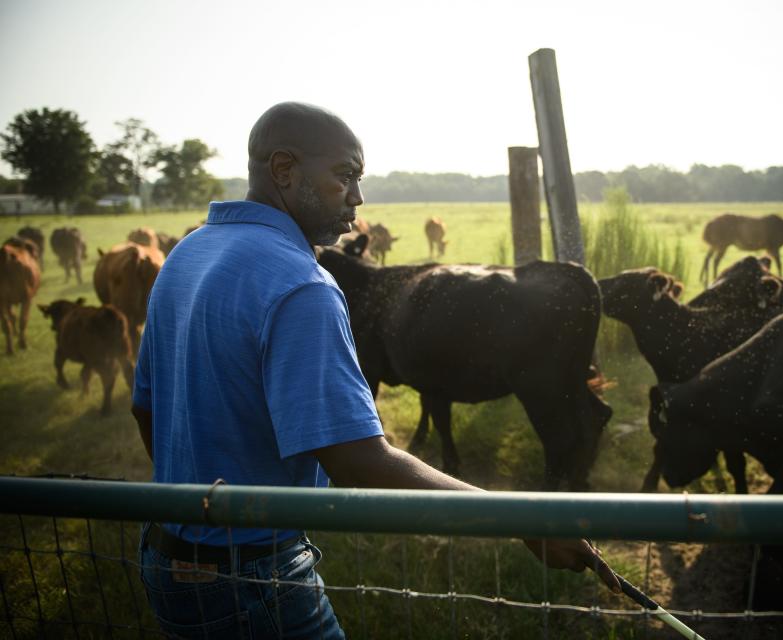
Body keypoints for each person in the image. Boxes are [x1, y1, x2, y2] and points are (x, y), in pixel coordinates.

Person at [132, 101, 620, 639]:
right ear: (283, 170)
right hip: (253, 575)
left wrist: (199, 509)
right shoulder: (301, 286)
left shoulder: (187, 254)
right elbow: (360, 463)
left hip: (164, 561)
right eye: (345, 177)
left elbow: (147, 408)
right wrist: (522, 520)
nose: (359, 199)